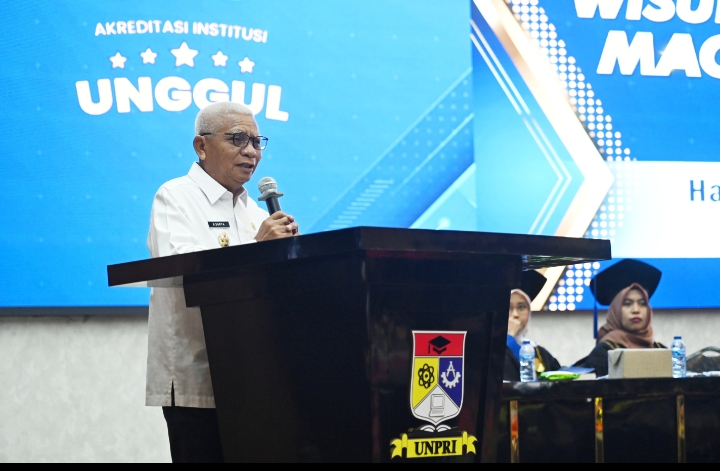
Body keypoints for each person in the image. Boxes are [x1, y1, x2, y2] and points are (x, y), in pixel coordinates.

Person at [146, 102, 300, 463]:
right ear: (202, 146)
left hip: (255, 379)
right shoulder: (175, 197)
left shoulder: (255, 212)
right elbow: (179, 269)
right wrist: (258, 247)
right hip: (196, 381)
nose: (251, 151)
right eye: (238, 139)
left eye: (257, 142)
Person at [576, 260, 665, 377]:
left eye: (642, 303)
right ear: (615, 310)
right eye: (627, 303)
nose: (636, 310)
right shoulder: (604, 353)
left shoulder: (661, 350)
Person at [504, 270, 562, 381]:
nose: (515, 314)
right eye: (508, 308)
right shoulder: (491, 352)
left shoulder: (539, 352)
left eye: (521, 307)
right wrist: (508, 338)